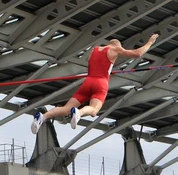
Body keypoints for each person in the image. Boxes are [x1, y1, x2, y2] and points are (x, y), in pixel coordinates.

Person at [31, 34, 159, 134]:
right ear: (117, 45)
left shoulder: (94, 49)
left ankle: (43, 117)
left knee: (66, 108)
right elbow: (138, 53)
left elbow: (98, 64)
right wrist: (150, 42)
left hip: (88, 82)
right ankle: (79, 113)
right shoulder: (115, 49)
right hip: (101, 83)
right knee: (94, 110)